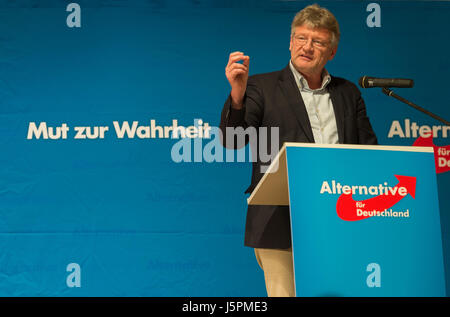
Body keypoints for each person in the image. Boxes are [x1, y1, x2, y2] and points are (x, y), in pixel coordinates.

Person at [220, 4, 378, 297]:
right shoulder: (259, 87)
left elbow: (368, 152)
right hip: (279, 220)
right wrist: (237, 96)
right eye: (300, 38)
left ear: (331, 52)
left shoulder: (348, 93)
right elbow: (232, 141)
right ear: (290, 43)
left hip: (338, 218)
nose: (307, 47)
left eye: (317, 41)